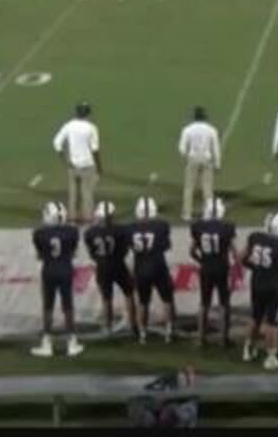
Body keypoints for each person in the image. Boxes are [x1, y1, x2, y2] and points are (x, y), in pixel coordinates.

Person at [242, 209, 278, 369]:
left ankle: (247, 349)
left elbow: (241, 258)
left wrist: (256, 267)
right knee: (273, 322)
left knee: (255, 318)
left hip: (257, 282)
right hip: (275, 286)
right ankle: (271, 356)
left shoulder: (255, 237)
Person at [31, 202, 84, 357]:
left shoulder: (39, 234)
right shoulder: (72, 232)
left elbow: (40, 255)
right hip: (66, 269)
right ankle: (72, 342)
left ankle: (47, 342)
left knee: (48, 307)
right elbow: (74, 252)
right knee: (68, 306)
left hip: (49, 270)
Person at [84, 200, 138, 338]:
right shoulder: (121, 230)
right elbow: (125, 250)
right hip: (118, 264)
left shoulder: (90, 232)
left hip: (102, 266)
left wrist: (99, 259)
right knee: (129, 294)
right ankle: (133, 326)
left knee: (106, 298)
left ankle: (107, 327)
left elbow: (91, 252)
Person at [190, 198, 238, 350]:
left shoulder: (198, 227)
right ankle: (224, 339)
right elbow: (234, 251)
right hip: (222, 267)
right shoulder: (227, 227)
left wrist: (202, 260)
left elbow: (192, 250)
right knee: (224, 304)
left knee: (204, 303)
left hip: (206, 267)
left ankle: (201, 338)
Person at [128, 196, 177, 344]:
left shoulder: (130, 228)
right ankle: (169, 331)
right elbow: (167, 246)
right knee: (167, 300)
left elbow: (129, 246)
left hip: (141, 267)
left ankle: (143, 334)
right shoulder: (162, 226)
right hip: (158, 266)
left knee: (143, 302)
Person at [52, 102, 103, 224]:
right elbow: (95, 149)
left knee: (73, 193)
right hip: (87, 164)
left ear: (76, 112)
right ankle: (88, 218)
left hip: (72, 165)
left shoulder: (69, 126)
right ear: (88, 113)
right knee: (87, 193)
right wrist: (100, 167)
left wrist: (65, 161)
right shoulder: (92, 128)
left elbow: (56, 143)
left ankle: (72, 218)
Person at [177, 106, 221, 221]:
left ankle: (187, 214)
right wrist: (217, 163)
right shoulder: (211, 129)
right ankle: (208, 213)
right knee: (207, 188)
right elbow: (215, 148)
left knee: (189, 188)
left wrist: (187, 157)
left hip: (193, 158)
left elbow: (181, 148)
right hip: (207, 158)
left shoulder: (188, 129)